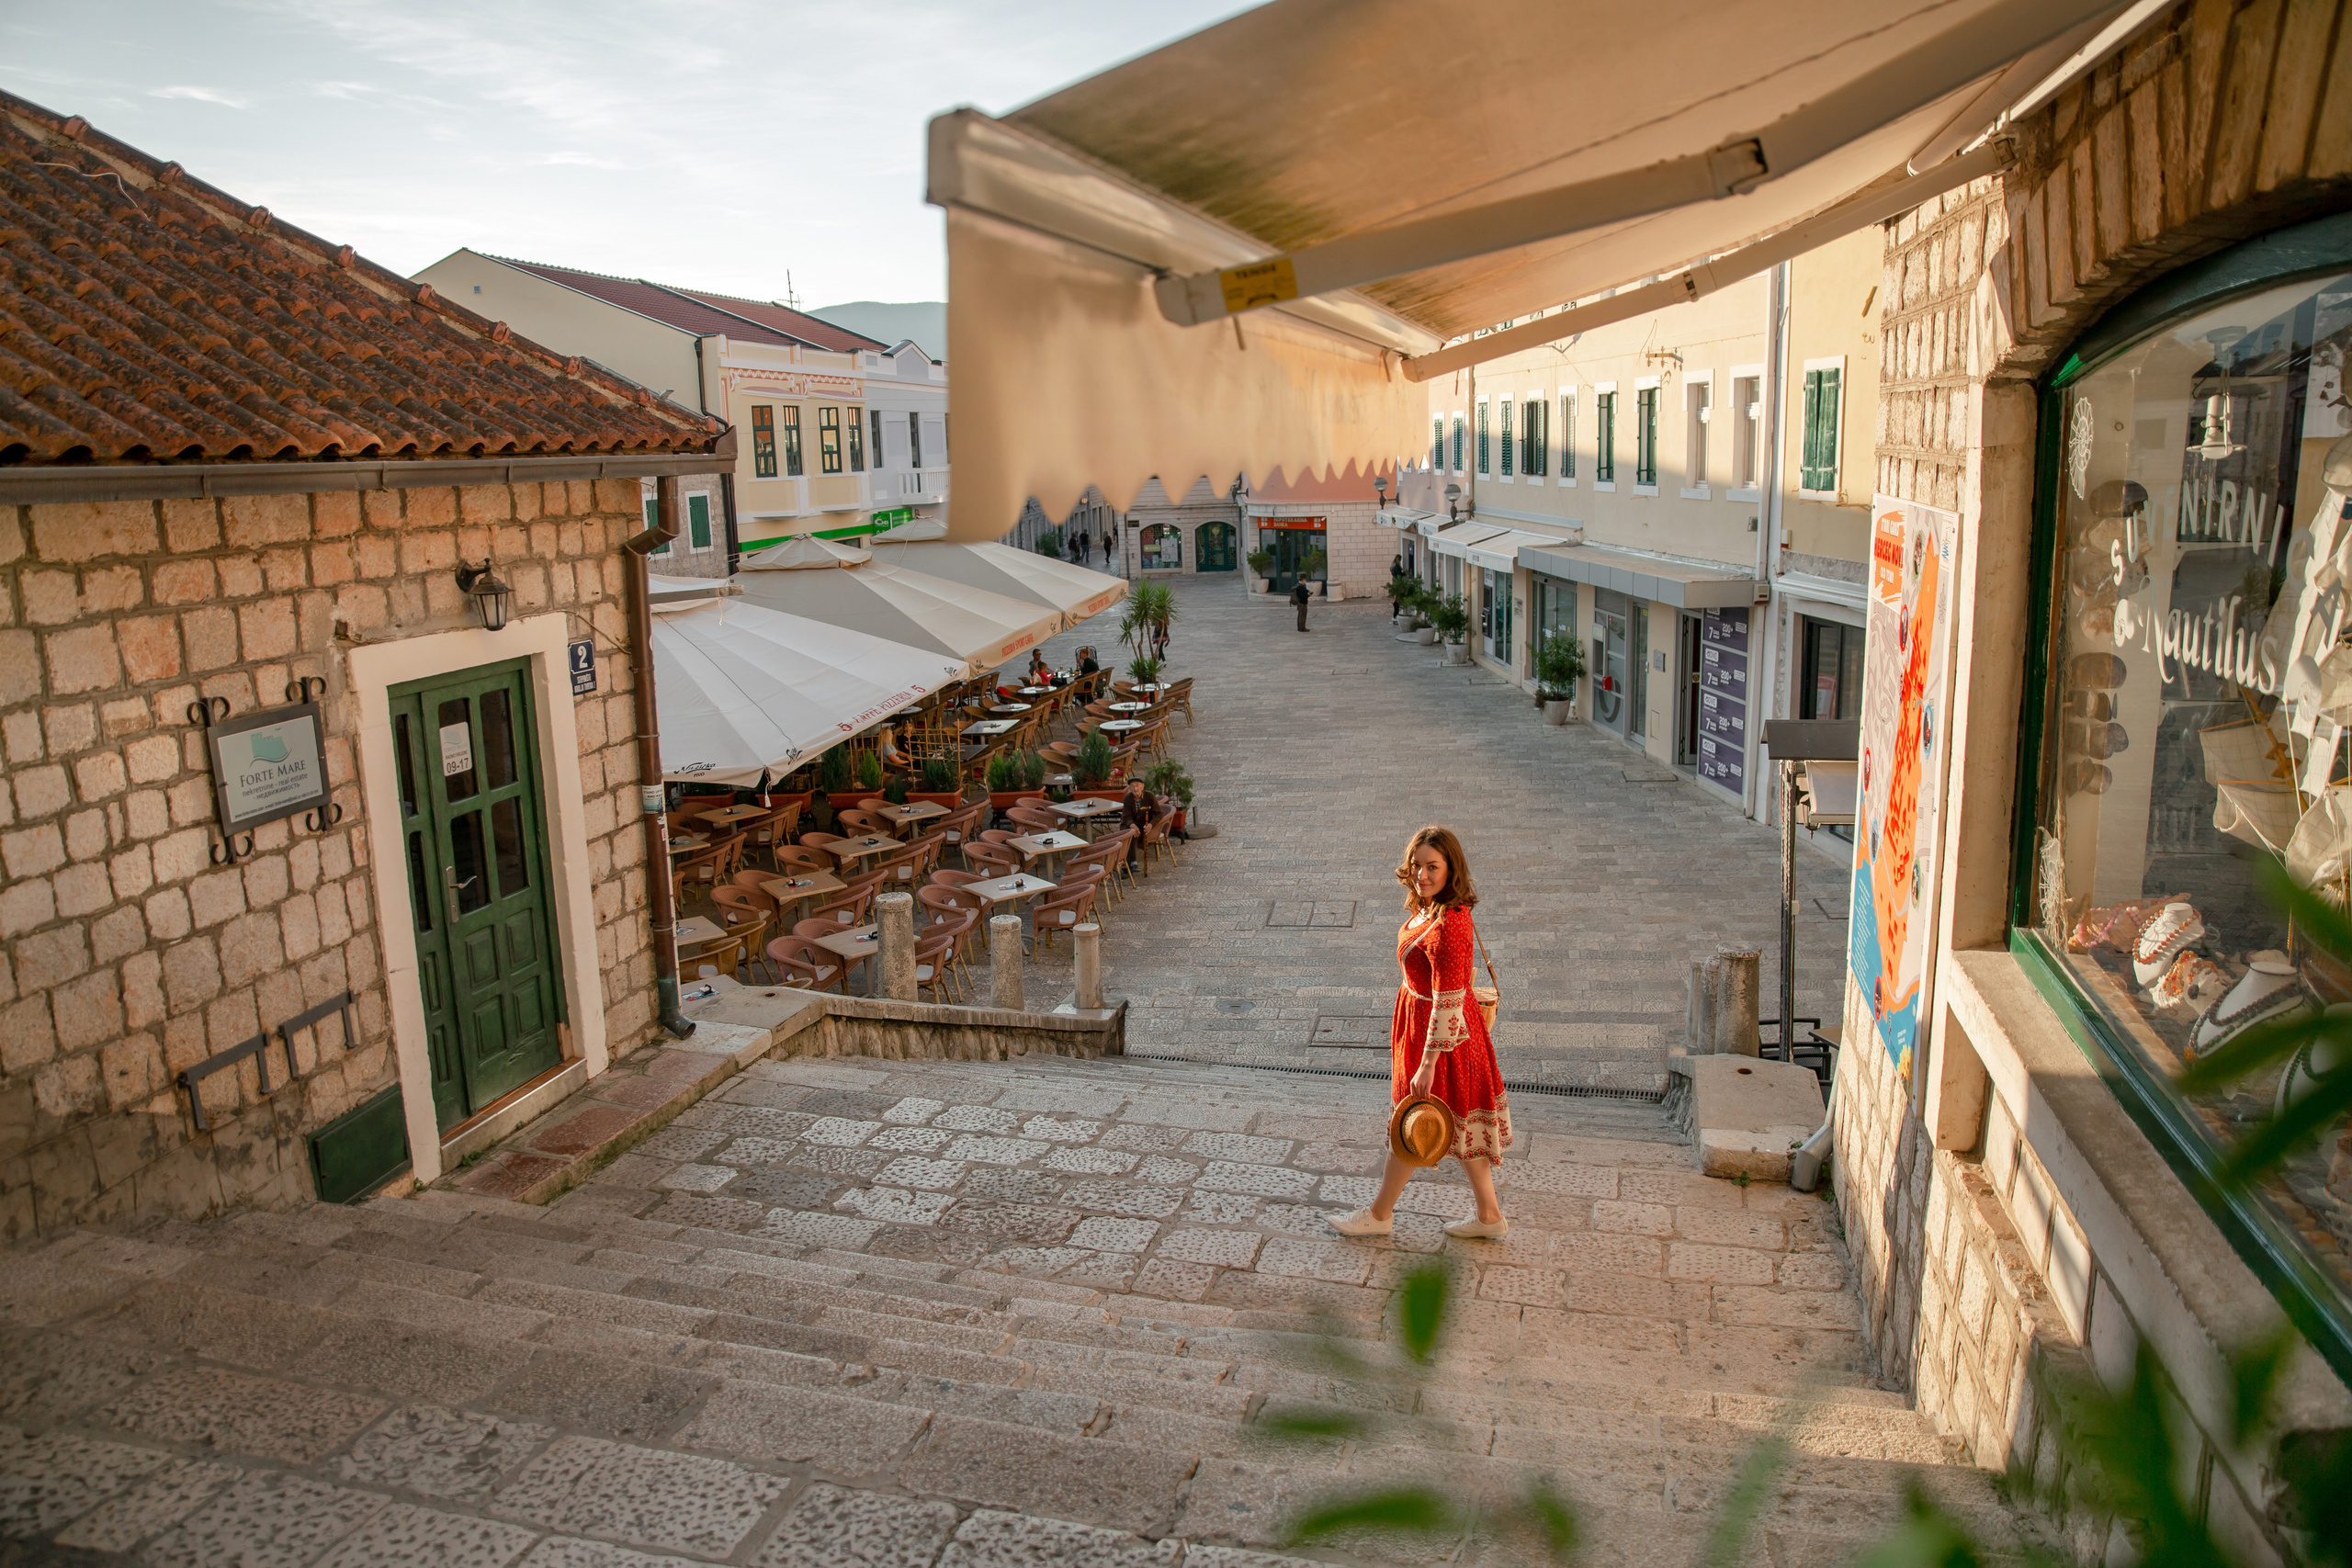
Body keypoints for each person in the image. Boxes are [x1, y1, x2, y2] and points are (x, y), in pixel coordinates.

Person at [1330, 826, 1511, 1240]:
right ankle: (1489, 1216)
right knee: (1455, 1124)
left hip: (1442, 1038)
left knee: (1414, 1121)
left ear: (1452, 869)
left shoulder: (1450, 924)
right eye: (1417, 866)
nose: (1422, 876)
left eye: (1433, 867)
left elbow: (1447, 1000)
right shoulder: (1433, 909)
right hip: (1428, 1027)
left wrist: (1428, 1063)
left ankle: (1379, 1215)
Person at [1120, 776, 1157, 871]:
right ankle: (1131, 863)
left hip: (1144, 824)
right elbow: (1126, 816)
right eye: (1132, 786)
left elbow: (1159, 814)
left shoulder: (1150, 796)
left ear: (1142, 786)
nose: (1135, 789)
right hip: (1130, 824)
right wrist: (1133, 825)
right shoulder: (1128, 798)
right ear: (1129, 788)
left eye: (1137, 786)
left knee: (1135, 832)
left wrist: (1151, 824)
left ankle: (1128, 864)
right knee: (1130, 833)